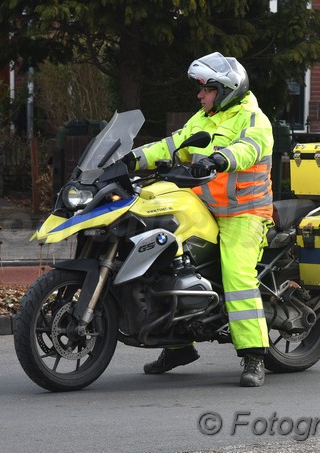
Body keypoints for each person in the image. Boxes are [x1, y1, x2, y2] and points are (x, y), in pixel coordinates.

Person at [124, 52, 274, 387]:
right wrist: (131, 160)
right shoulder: (203, 119)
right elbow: (172, 144)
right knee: (164, 261)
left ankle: (253, 355)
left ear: (224, 91)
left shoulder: (253, 119)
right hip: (203, 206)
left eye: (205, 89)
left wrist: (219, 159)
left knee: (236, 272)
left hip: (244, 213)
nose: (199, 95)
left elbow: (248, 149)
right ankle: (178, 347)